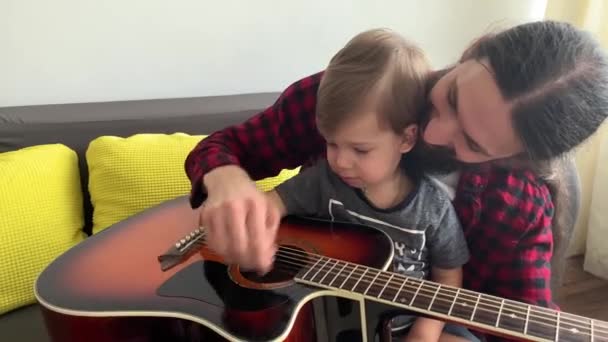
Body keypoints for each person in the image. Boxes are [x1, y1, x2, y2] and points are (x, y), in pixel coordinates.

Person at [185, 20, 608, 342]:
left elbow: (522, 322)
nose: (434, 133)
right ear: (472, 52)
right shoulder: (361, 96)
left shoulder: (519, 207)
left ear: (514, 159)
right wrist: (226, 180)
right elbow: (223, 147)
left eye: (473, 145)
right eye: (453, 98)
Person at [262, 28, 472, 342]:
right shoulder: (324, 181)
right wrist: (251, 232)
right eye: (332, 143)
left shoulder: (433, 207)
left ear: (406, 138)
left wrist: (426, 329)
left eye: (360, 150)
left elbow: (448, 275)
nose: (341, 161)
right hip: (338, 324)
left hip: (410, 327)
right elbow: (271, 203)